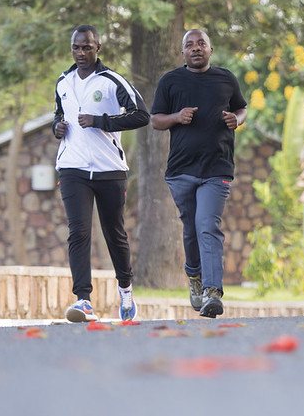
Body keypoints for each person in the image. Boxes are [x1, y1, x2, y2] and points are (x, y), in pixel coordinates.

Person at [52, 24, 149, 322]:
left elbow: (141, 115)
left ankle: (126, 289)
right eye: (76, 47)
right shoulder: (63, 82)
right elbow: (59, 113)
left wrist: (100, 121)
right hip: (72, 168)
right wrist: (56, 127)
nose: (81, 53)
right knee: (78, 231)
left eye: (86, 47)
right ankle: (83, 300)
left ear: (98, 48)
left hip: (110, 170)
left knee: (114, 233)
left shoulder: (111, 81)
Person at [150, 29, 247, 318]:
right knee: (191, 229)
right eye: (189, 45)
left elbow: (241, 108)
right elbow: (155, 120)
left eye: (201, 43)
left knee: (207, 225)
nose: (195, 48)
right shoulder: (170, 81)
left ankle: (212, 291)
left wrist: (236, 119)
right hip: (181, 170)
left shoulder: (226, 79)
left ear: (210, 49)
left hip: (217, 168)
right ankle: (194, 275)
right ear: (182, 52)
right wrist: (177, 117)